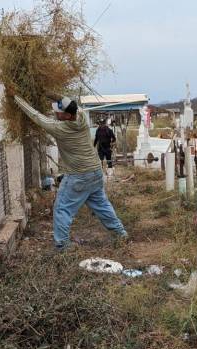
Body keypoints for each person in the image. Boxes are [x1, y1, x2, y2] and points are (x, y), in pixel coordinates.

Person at [14, 94, 128, 251]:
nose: (55, 113)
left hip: (78, 175)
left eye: (58, 112)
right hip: (95, 172)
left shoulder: (60, 128)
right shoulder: (82, 118)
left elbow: (37, 117)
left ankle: (62, 246)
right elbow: (70, 103)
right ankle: (120, 234)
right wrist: (51, 95)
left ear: (67, 115)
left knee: (62, 209)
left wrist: (17, 98)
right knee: (102, 205)